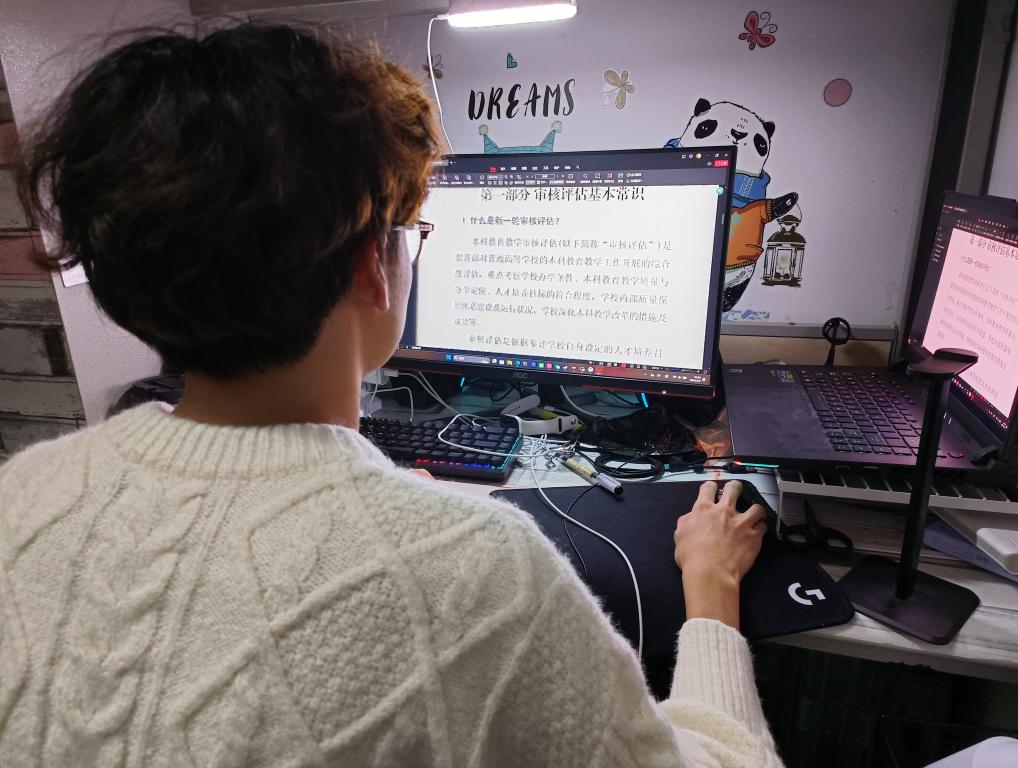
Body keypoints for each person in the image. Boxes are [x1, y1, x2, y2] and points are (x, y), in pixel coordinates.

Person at [0, 22, 782, 767]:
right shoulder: (480, 570)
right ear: (372, 266)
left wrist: (390, 515)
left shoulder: (24, 490)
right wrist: (711, 588)